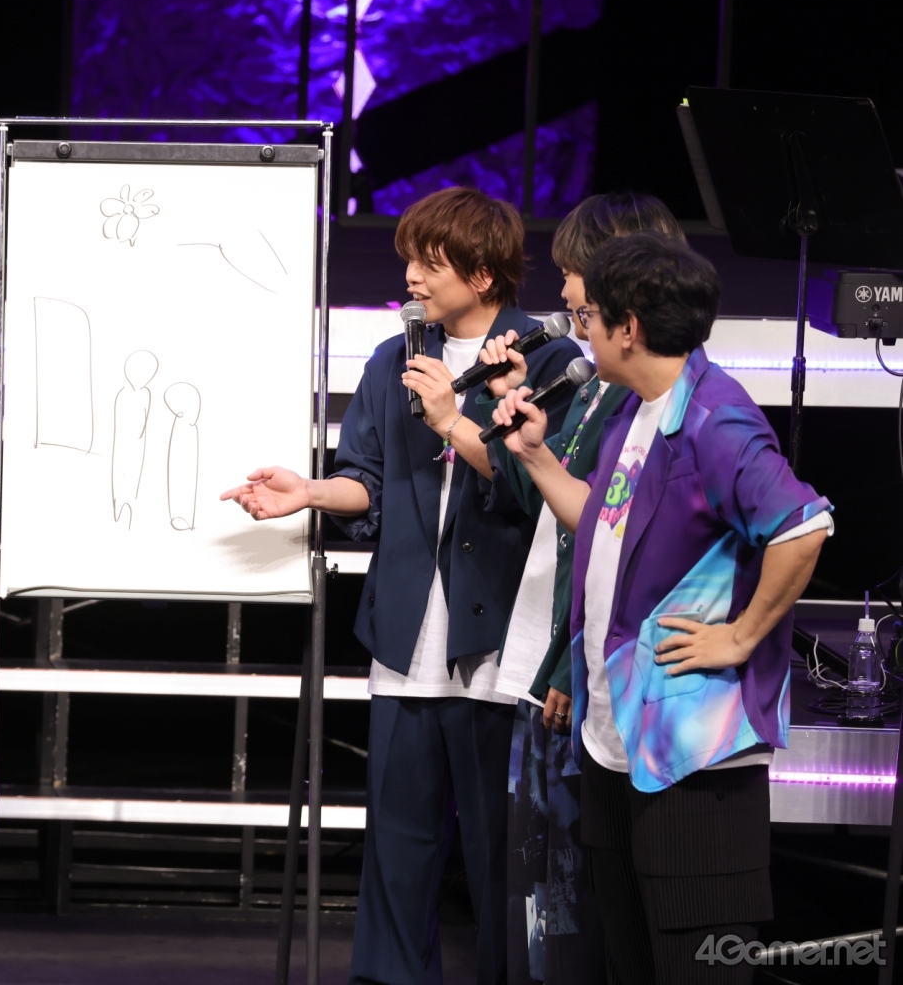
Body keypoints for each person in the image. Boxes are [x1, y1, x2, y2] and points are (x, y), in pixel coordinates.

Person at [221, 186, 582, 985]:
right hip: (404, 640)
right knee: (397, 851)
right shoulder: (395, 359)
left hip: (497, 648)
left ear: (482, 274)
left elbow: (536, 487)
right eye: (410, 261)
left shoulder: (547, 360)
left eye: (430, 263)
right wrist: (310, 492)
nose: (412, 277)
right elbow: (367, 479)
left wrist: (456, 415)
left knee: (500, 856)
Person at [490, 232, 830, 984]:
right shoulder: (638, 412)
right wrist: (538, 457)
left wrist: (738, 638)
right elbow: (605, 522)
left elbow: (802, 526)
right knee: (630, 960)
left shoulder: (716, 418)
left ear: (629, 327)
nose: (583, 332)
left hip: (692, 765)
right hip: (618, 743)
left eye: (590, 318)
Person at [473, 192, 685, 985]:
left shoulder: (651, 398)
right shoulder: (591, 383)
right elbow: (543, 502)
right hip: (546, 652)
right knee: (539, 883)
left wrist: (570, 662)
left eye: (573, 274)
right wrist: (501, 412)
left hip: (584, 668)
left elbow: (618, 545)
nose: (562, 291)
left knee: (575, 891)